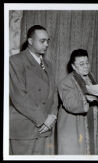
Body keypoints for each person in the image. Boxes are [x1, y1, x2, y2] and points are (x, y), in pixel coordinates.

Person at [9, 25, 58, 155]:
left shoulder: (49, 65)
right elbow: (19, 96)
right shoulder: (15, 61)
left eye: (48, 41)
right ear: (30, 41)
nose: (46, 44)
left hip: (44, 129)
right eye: (42, 41)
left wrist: (52, 116)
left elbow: (53, 94)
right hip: (24, 128)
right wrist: (43, 119)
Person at [57, 49, 98, 155]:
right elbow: (70, 104)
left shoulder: (91, 77)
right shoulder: (66, 82)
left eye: (87, 62)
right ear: (73, 66)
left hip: (88, 122)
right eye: (81, 64)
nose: (86, 66)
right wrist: (86, 98)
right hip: (72, 124)